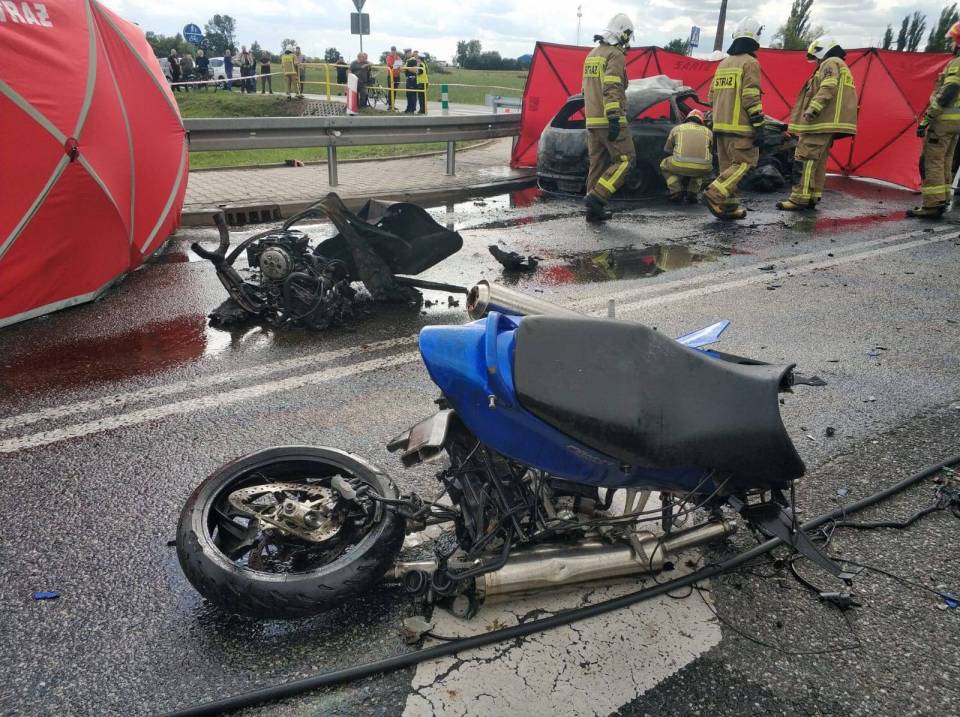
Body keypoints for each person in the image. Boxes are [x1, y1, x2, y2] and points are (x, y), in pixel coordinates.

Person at [776, 38, 858, 211]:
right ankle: (813, 195)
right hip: (828, 122)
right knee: (818, 160)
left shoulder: (830, 63)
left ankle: (799, 198)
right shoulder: (840, 65)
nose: (817, 62)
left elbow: (828, 86)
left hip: (820, 121)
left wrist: (813, 109)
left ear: (822, 51)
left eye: (816, 57)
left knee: (805, 158)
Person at [702, 17, 765, 221]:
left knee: (727, 169)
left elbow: (711, 97)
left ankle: (728, 207)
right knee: (744, 164)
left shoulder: (723, 64)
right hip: (740, 127)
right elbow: (750, 96)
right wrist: (759, 124)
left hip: (720, 127)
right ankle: (714, 193)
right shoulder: (750, 63)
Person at [581, 13, 636, 222]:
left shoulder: (592, 54)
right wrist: (614, 117)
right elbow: (612, 85)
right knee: (626, 160)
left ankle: (593, 212)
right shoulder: (615, 54)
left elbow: (585, 90)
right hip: (609, 119)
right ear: (624, 34)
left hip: (592, 120)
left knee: (598, 165)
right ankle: (597, 197)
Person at [908, 21, 960, 218]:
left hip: (944, 121)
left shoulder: (957, 63)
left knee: (933, 161)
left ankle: (932, 204)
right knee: (946, 160)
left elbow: (949, 91)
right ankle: (944, 198)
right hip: (956, 125)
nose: (952, 45)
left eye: (954, 41)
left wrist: (927, 118)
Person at [660, 109, 713, 203]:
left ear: (687, 119)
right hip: (703, 167)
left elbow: (667, 150)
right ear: (701, 121)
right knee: (700, 171)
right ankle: (693, 193)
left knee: (664, 164)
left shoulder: (677, 129)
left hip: (679, 164)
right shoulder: (708, 132)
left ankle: (676, 190)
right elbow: (711, 151)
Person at [385, 45, 401, 110]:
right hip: (391, 76)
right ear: (391, 50)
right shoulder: (389, 57)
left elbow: (400, 64)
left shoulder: (398, 57)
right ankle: (390, 105)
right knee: (390, 90)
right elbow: (390, 65)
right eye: (392, 50)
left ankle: (393, 105)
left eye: (394, 50)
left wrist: (398, 64)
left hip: (397, 75)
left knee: (394, 91)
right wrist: (395, 64)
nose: (393, 51)